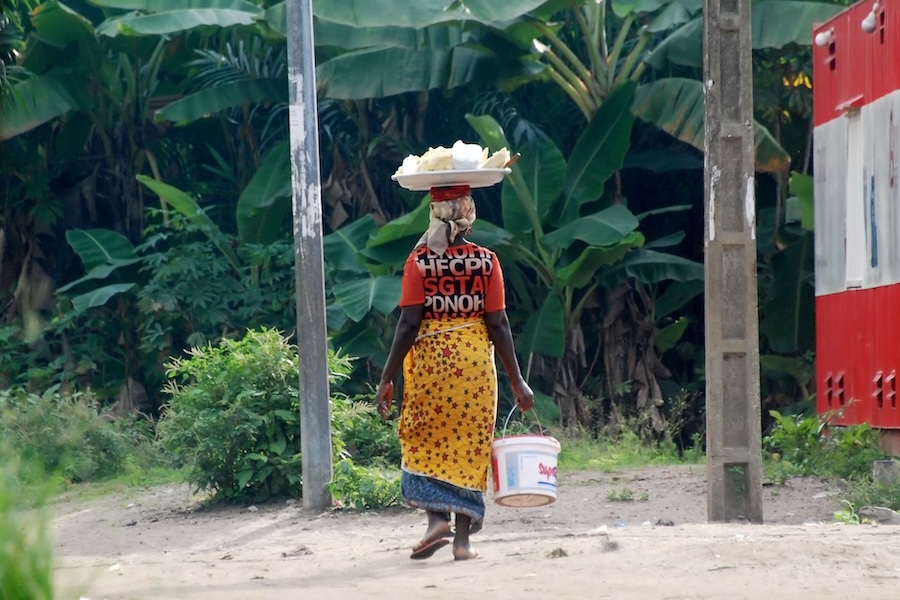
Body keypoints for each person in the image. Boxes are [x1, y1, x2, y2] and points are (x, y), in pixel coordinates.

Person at [376, 184, 535, 562]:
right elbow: (498, 324)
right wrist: (517, 379)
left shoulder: (419, 261)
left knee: (424, 440)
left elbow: (408, 323)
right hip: (474, 368)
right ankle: (462, 543)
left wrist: (387, 376)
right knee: (469, 447)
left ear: (435, 215)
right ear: (468, 215)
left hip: (432, 366)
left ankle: (436, 521)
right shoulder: (487, 261)